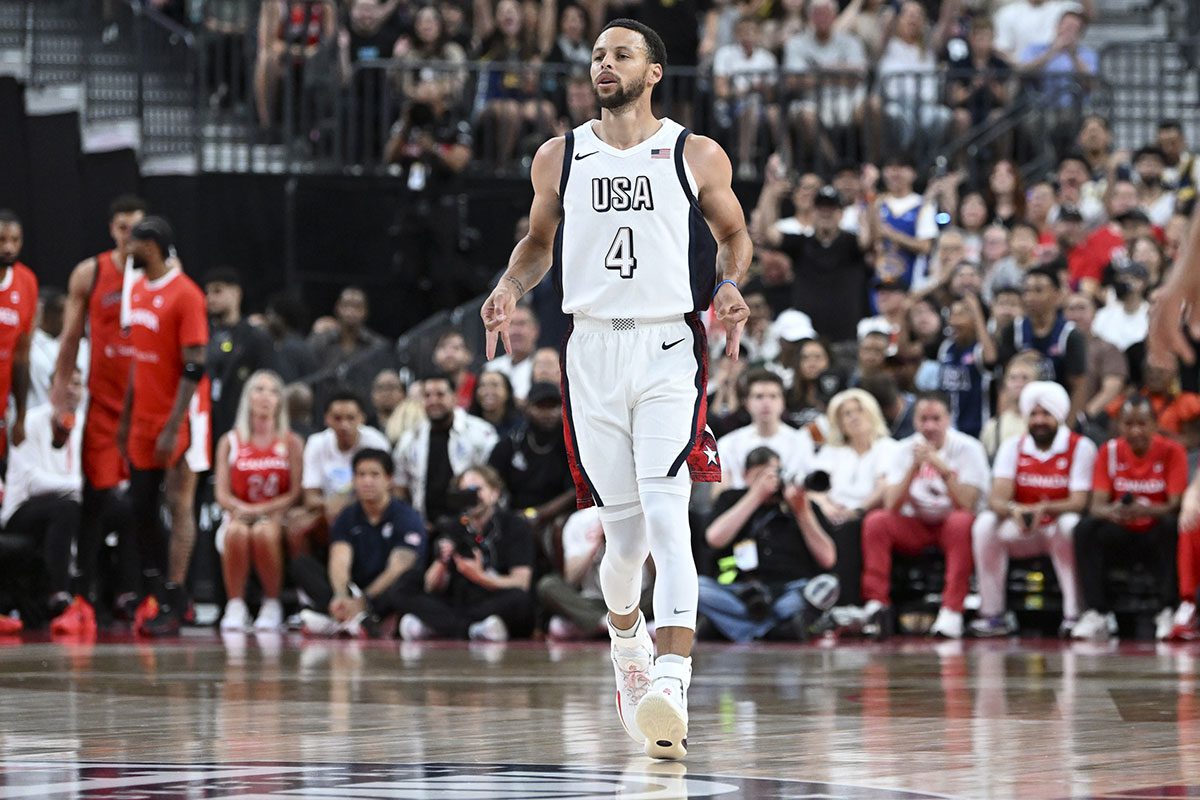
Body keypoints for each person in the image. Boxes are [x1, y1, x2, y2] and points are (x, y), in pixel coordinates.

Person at [479, 17, 751, 761]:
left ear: (653, 71)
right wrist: (508, 285)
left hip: (667, 345)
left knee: (670, 517)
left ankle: (672, 677)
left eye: (620, 54)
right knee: (622, 540)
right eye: (597, 54)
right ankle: (625, 640)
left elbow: (734, 234)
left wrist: (728, 285)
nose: (605, 64)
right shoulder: (559, 155)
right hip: (590, 348)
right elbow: (538, 243)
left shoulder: (693, 152)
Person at [49, 194, 146, 621]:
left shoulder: (161, 276)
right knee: (97, 498)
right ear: (112, 229)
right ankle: (83, 595)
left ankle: (139, 594)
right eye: (124, 227)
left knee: (144, 502)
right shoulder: (91, 272)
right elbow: (70, 338)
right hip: (104, 406)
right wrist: (59, 397)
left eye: (138, 228)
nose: (131, 236)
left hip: (147, 405)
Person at [118, 216, 211, 636]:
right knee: (140, 504)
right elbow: (139, 360)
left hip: (181, 415)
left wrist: (175, 426)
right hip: (143, 414)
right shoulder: (136, 289)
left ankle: (173, 596)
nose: (126, 250)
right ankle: (159, 588)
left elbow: (195, 365)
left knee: (179, 502)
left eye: (132, 244)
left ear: (151, 247)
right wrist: (125, 416)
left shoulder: (186, 294)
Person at [859, 391, 990, 639]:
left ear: (948, 419)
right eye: (923, 419)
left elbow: (967, 504)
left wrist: (943, 470)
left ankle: (952, 610)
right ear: (915, 421)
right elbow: (891, 505)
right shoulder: (902, 449)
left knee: (960, 522)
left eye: (936, 418)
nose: (929, 426)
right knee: (877, 521)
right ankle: (876, 604)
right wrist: (912, 468)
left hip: (952, 526)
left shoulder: (969, 448)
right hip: (917, 524)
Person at [970, 381, 1095, 637]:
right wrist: (1014, 510)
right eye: (1034, 414)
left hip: (1056, 529)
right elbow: (997, 498)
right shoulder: (1013, 446)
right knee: (984, 525)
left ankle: (1074, 614)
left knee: (1071, 524)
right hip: (1024, 527)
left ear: (1058, 417)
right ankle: (992, 614)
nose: (1039, 420)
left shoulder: (1080, 446)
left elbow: (1080, 501)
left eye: (1046, 414)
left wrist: (1045, 508)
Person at [1072, 396, 1187, 641]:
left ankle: (1168, 609)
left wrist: (1145, 511)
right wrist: (1114, 511)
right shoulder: (1110, 451)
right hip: (1121, 530)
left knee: (1172, 526)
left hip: (1154, 533)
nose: (1135, 430)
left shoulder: (1172, 451)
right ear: (1119, 426)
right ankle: (1097, 612)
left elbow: (1174, 505)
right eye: (1128, 424)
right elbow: (1096, 505)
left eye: (1142, 423)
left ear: (1155, 425)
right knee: (1085, 528)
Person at [701, 447, 839, 642]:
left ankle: (731, 627)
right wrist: (755, 496)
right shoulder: (731, 498)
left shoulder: (800, 503)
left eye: (774, 474)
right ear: (746, 476)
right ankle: (775, 630)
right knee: (698, 588)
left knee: (825, 587)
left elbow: (828, 559)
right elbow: (714, 538)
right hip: (738, 592)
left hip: (789, 592)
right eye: (760, 477)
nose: (770, 483)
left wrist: (802, 512)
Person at [291, 448, 427, 637]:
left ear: (389, 480)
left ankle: (352, 618)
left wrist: (365, 600)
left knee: (406, 582)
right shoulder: (348, 516)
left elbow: (399, 567)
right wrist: (341, 594)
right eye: (361, 475)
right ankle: (345, 616)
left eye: (374, 475)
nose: (367, 481)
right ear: (353, 480)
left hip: (383, 590)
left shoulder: (407, 517)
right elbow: (340, 558)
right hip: (355, 587)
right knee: (302, 564)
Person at [398, 465, 534, 641]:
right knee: (405, 585)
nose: (471, 497)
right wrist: (442, 561)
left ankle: (443, 627)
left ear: (495, 493)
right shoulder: (450, 527)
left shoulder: (515, 525)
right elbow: (431, 586)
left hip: (494, 600)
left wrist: (480, 577)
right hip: (458, 602)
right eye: (464, 492)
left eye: (476, 490)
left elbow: (521, 582)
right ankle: (469, 629)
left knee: (520, 600)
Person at [213, 370, 304, 632]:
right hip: (238, 513)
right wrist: (239, 509)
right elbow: (221, 492)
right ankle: (236, 604)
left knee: (264, 533)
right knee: (237, 532)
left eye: (273, 391)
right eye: (259, 389)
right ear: (248, 397)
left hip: (276, 514)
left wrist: (263, 509)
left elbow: (295, 492)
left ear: (280, 401)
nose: (266, 397)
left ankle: (272, 602)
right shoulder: (230, 441)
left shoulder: (291, 441)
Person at [1, 368, 85, 627]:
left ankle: (119, 597)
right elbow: (32, 482)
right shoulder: (29, 421)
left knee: (121, 508)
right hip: (20, 510)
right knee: (67, 507)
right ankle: (57, 593)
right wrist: (76, 486)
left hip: (67, 502)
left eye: (78, 384)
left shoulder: (82, 423)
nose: (72, 390)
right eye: (66, 383)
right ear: (51, 390)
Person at [287, 389, 390, 558]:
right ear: (326, 419)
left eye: (351, 418)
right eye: (337, 418)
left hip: (368, 507)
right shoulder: (316, 443)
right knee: (296, 523)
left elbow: (385, 490)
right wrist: (330, 505)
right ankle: (306, 578)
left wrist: (343, 504)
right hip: (326, 510)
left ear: (362, 419)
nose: (344, 425)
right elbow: (310, 497)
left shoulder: (376, 442)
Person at [994, 266, 1088, 424]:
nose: (1030, 297)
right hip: (1021, 418)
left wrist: (1066, 428)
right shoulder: (1013, 330)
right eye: (1027, 291)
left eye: (1038, 290)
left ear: (1057, 295)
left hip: (1060, 416)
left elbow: (1079, 387)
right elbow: (1005, 385)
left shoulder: (1070, 334)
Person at [203, 267, 279, 451]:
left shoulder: (256, 338)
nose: (210, 298)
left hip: (241, 424)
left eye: (218, 291)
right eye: (207, 292)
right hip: (204, 424)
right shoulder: (202, 334)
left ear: (236, 293)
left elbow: (268, 380)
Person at [487, 381, 575, 534]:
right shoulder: (512, 442)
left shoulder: (571, 442)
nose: (548, 413)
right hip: (515, 513)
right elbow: (491, 480)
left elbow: (575, 490)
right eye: (541, 406)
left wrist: (539, 514)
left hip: (560, 515)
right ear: (527, 408)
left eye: (553, 406)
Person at [716, 370, 814, 490]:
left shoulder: (801, 441)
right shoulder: (728, 444)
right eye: (759, 396)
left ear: (783, 402)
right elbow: (719, 493)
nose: (766, 403)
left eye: (773, 396)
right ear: (746, 402)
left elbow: (810, 487)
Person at [0, 209, 37, 457]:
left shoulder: (26, 281)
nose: (9, 248)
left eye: (15, 240)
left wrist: (21, 417)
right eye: (2, 240)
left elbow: (22, 355)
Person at [482, 304, 538, 402]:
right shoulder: (491, 368)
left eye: (522, 324)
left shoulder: (546, 366)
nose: (516, 331)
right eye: (510, 324)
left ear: (535, 330)